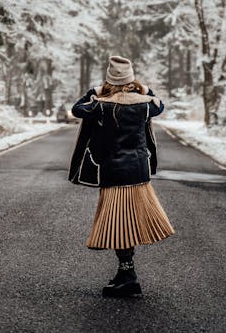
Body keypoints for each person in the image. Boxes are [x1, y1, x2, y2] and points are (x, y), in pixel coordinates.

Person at [69, 55, 174, 298]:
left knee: (119, 224)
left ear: (109, 80)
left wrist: (95, 90)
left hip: (114, 173)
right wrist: (143, 88)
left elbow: (77, 109)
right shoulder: (146, 103)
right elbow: (161, 103)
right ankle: (126, 273)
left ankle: (128, 276)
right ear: (132, 80)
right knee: (126, 224)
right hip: (138, 172)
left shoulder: (101, 105)